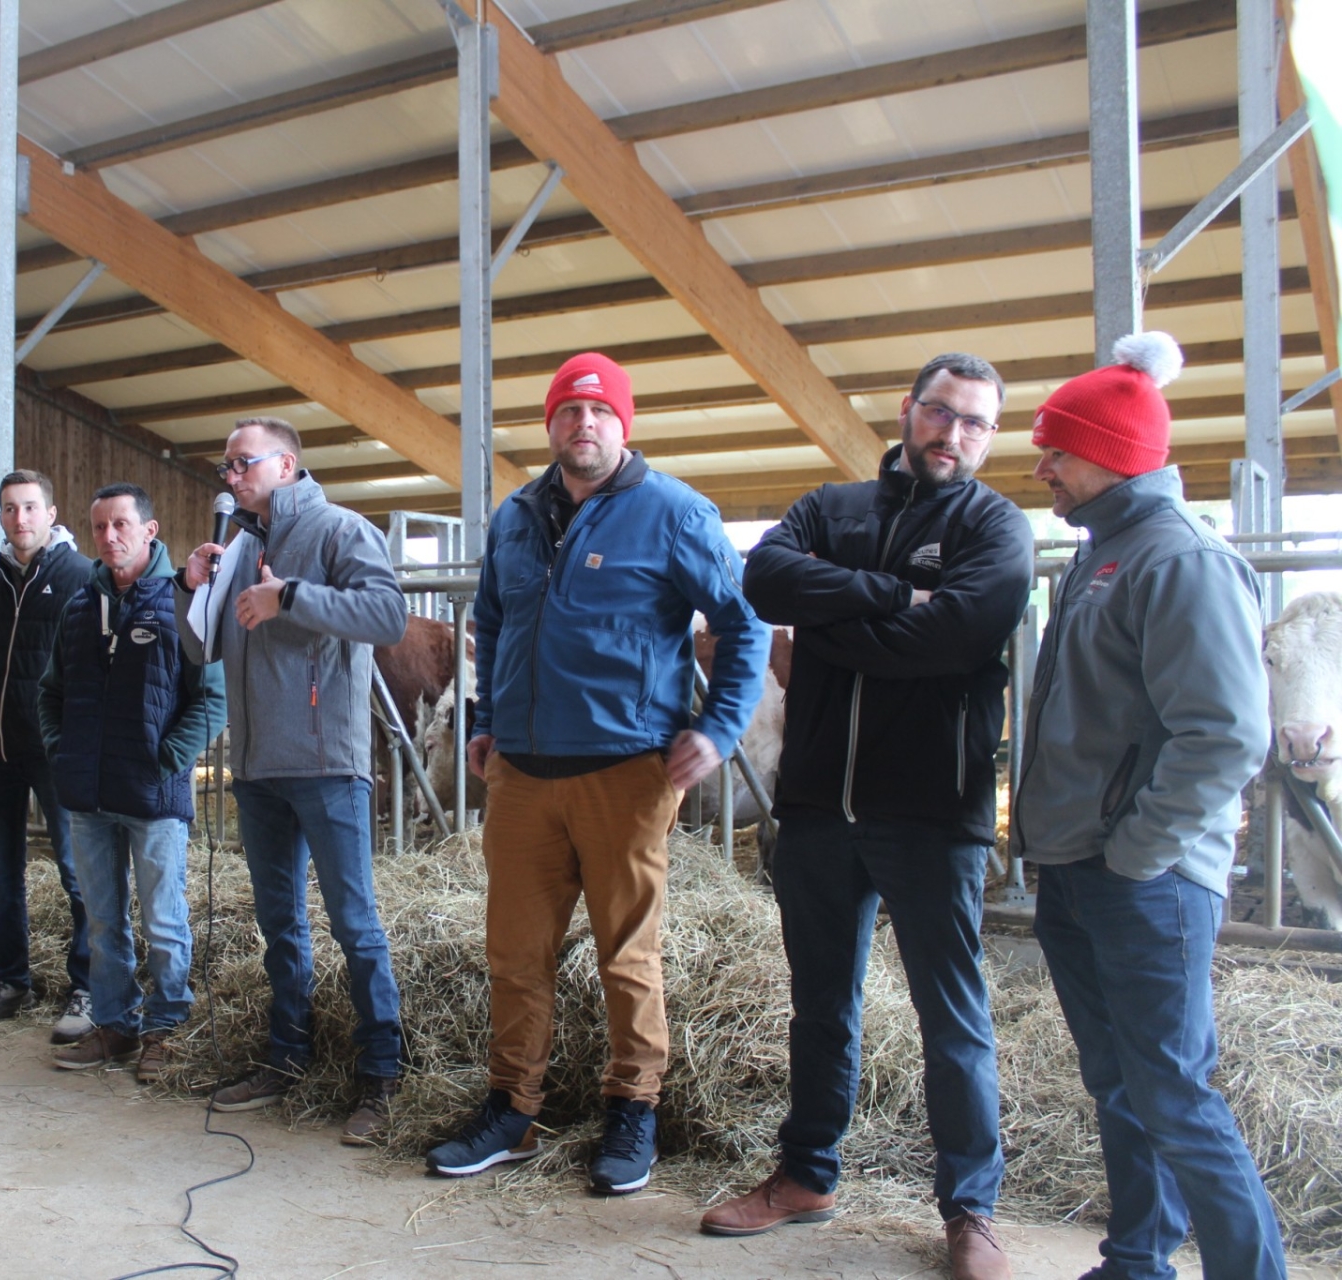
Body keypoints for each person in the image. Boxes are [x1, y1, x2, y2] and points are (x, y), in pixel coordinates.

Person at [706, 353, 1033, 1280]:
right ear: (908, 410)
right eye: (940, 412)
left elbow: (959, 636)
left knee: (951, 1016)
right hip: (815, 805)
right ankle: (806, 1174)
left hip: (931, 810)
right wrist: (892, 598)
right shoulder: (831, 508)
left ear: (990, 436)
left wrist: (834, 630)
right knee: (821, 1006)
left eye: (975, 423)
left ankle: (971, 1208)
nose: (953, 434)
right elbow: (764, 580)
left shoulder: (995, 527)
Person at [424, 352, 770, 1195]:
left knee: (627, 954)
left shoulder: (674, 513)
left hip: (626, 771)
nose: (584, 425)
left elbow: (743, 625)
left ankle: (633, 1109)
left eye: (600, 412)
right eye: (569, 412)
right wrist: (484, 723)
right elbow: (495, 627)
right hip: (523, 777)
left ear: (625, 424)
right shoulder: (513, 517)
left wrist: (719, 728)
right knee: (515, 950)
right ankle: (513, 1108)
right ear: (549, 425)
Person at [1013, 333, 1286, 1280]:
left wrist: (1138, 850)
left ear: (1111, 452)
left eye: (1057, 447)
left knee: (1174, 1090)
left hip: (1146, 878)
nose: (1040, 463)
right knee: (1121, 1083)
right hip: (1082, 866)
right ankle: (1138, 1260)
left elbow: (1224, 734)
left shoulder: (1180, 562)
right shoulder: (1104, 553)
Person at [181, 416, 408, 1145]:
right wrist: (191, 587)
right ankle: (288, 1057)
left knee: (355, 924)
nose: (231, 476)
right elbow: (200, 648)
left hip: (326, 763)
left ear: (286, 464)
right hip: (256, 767)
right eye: (226, 466)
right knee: (278, 922)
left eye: (242, 462)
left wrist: (294, 597)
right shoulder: (240, 544)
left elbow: (388, 615)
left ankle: (382, 1074)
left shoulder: (340, 530)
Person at [43, 483, 224, 1082]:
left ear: (149, 531)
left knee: (163, 919)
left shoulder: (185, 603)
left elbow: (212, 702)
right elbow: (50, 693)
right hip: (88, 796)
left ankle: (167, 1028)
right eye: (98, 527)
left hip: (152, 795)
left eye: (121, 524)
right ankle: (116, 1025)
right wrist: (60, 750)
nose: (109, 536)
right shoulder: (78, 607)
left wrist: (166, 758)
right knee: (102, 918)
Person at [0, 470, 103, 1042]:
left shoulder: (78, 576)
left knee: (77, 872)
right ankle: (9, 981)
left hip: (53, 752)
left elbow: (90, 665)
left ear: (51, 512)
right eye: (10, 508)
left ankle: (87, 988)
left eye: (30, 508)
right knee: (1, 872)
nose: (20, 519)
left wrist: (69, 735)